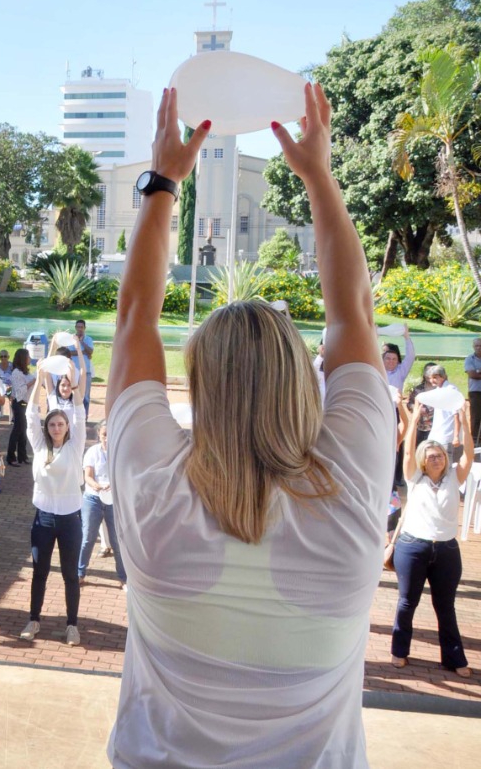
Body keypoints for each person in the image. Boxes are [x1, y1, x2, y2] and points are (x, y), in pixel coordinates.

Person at [104, 85, 393, 766]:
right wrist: (318, 176)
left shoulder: (154, 496)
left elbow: (132, 320)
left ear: (201, 386)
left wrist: (163, 183)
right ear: (304, 377)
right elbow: (353, 313)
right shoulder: (349, 499)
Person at [391, 398, 472, 676]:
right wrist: (413, 421)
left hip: (447, 550)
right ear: (423, 460)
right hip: (413, 547)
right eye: (431, 455)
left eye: (439, 454)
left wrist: (466, 423)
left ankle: (454, 658)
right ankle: (399, 652)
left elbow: (468, 456)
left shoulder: (454, 478)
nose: (436, 458)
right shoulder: (415, 477)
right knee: (406, 602)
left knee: (445, 606)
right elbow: (407, 454)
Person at [20, 348, 87, 644]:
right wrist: (40, 375)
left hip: (71, 517)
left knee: (70, 575)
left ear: (68, 427)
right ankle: (34, 620)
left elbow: (80, 409)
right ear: (47, 428)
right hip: (44, 518)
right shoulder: (39, 444)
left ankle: (72, 624)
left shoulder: (75, 446)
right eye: (52, 424)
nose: (56, 427)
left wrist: (72, 372)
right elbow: (29, 414)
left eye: (61, 424)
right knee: (40, 572)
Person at [78, 419, 124, 589]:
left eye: (110, 435)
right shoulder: (92, 452)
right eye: (104, 435)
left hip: (113, 500)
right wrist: (97, 486)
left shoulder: (119, 452)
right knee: (87, 538)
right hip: (93, 499)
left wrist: (114, 485)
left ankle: (123, 577)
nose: (107, 438)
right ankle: (79, 573)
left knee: (117, 541)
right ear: (99, 434)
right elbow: (88, 476)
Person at [422, 365, 464, 463]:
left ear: (443, 376)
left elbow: (456, 415)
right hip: (436, 435)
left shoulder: (451, 390)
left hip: (446, 436)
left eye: (435, 377)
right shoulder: (438, 390)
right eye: (430, 378)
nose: (432, 380)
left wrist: (456, 436)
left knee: (446, 465)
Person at [6, 349, 34, 466]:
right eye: (28, 356)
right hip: (20, 404)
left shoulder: (25, 373)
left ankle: (22, 456)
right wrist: (33, 381)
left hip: (25, 404)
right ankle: (10, 457)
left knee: (23, 431)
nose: (30, 359)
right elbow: (20, 392)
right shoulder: (16, 373)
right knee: (17, 430)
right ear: (23, 358)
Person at [384, 327, 415, 393]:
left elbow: (410, 356)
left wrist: (407, 337)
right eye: (388, 359)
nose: (391, 361)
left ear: (398, 361)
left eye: (394, 359)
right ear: (382, 360)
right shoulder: (378, 371)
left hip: (395, 402)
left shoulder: (400, 372)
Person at [74, 319, 95, 416]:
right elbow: (67, 353)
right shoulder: (71, 339)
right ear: (75, 328)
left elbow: (90, 351)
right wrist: (82, 352)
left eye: (81, 327)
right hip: (74, 372)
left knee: (86, 396)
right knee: (73, 394)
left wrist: (81, 343)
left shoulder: (88, 339)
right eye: (78, 327)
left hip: (86, 372)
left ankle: (84, 417)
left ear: (84, 328)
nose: (79, 329)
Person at [466, 338, 481, 445]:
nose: (479, 348)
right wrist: (476, 373)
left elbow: (477, 374)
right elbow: (472, 375)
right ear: (473, 347)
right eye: (477, 346)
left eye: (480, 345)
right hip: (475, 392)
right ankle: (474, 441)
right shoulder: (469, 359)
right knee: (475, 417)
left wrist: (478, 371)